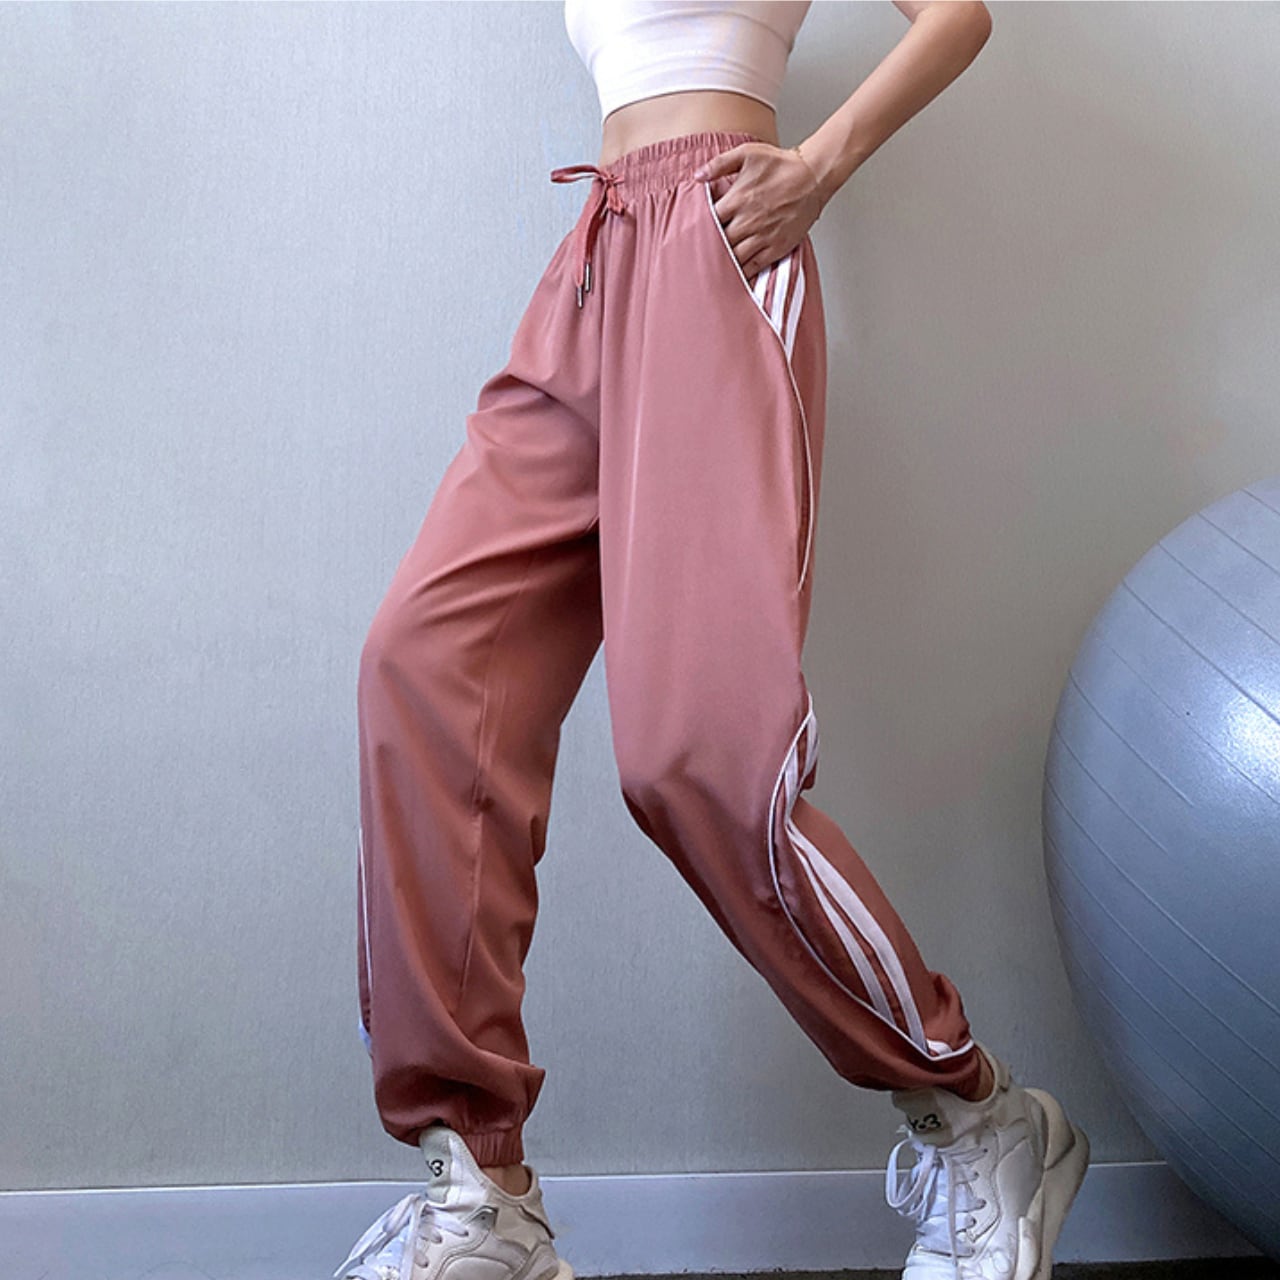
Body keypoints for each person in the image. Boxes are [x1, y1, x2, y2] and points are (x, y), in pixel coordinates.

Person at [336, 2, 1091, 1278]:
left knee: (694, 754)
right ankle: (483, 1189)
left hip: (721, 242)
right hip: (594, 258)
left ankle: (976, 1113)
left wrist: (818, 167)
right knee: (425, 666)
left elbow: (955, 15)